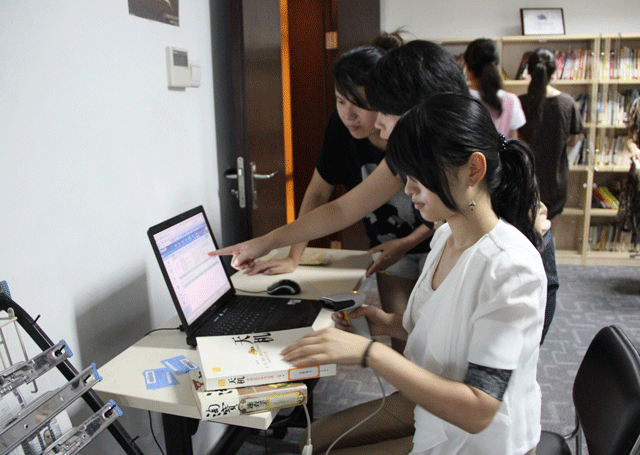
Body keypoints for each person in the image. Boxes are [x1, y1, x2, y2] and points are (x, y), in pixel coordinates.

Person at [282, 93, 546, 455]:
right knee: (312, 440)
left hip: (481, 438)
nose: (408, 189)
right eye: (406, 175)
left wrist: (371, 353)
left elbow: (480, 408)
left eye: (419, 175)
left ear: (473, 170)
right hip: (438, 409)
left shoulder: (510, 268)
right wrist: (387, 324)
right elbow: (447, 332)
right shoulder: (445, 237)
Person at [211, 40, 469, 347]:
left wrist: (365, 354)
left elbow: (473, 373)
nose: (379, 125)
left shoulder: (486, 251)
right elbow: (342, 208)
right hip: (422, 253)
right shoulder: (445, 222)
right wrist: (266, 243)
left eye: (382, 110)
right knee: (419, 338)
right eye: (340, 101)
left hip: (444, 256)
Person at [518, 48, 584, 220]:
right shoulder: (567, 103)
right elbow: (573, 139)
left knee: (524, 230)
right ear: (554, 72)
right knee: (548, 230)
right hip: (555, 181)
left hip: (524, 180)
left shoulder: (520, 102)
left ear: (529, 71)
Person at [463, 38, 526, 138]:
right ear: (496, 65)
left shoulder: (459, 101)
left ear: (467, 68)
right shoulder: (511, 100)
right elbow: (513, 141)